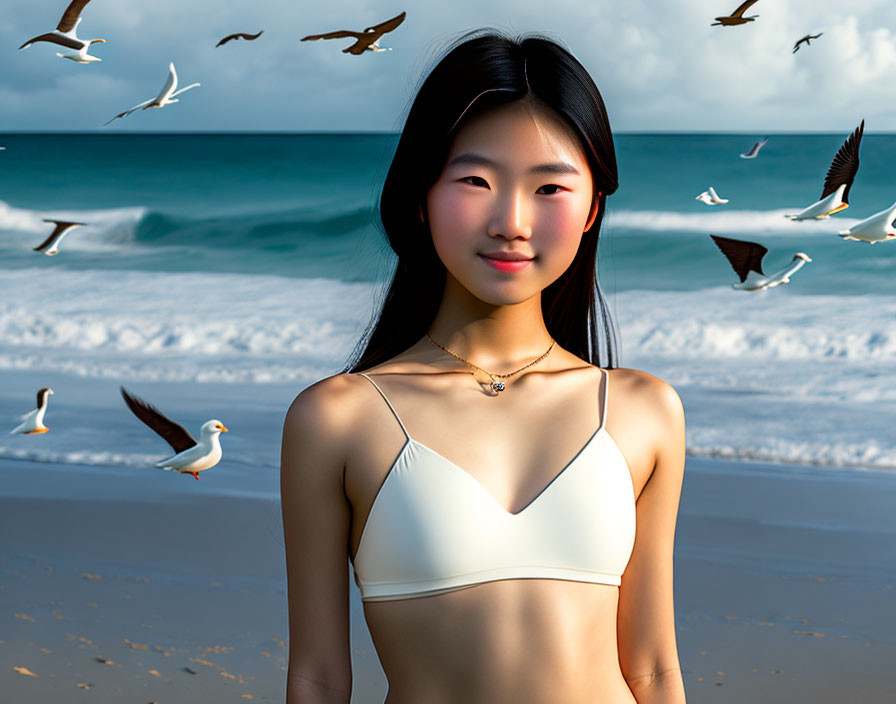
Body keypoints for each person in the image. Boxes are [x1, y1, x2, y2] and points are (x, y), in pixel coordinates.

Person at [281, 29, 687, 704]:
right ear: (421, 195)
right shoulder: (339, 418)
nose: (512, 221)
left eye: (551, 187)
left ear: (592, 208)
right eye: (475, 180)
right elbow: (318, 677)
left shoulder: (643, 411)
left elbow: (651, 669)